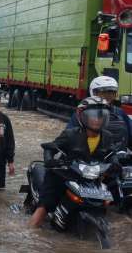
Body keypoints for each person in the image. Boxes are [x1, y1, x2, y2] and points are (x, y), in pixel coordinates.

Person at [30, 97, 119, 227]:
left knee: (113, 197)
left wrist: (115, 163)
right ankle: (30, 231)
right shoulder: (70, 134)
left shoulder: (107, 137)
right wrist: (50, 161)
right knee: (46, 204)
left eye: (101, 116)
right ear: (82, 116)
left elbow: (112, 154)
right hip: (65, 176)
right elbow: (50, 148)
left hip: (91, 179)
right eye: (93, 116)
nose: (97, 120)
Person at [66, 76, 132, 148]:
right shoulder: (81, 112)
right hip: (88, 154)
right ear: (94, 93)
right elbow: (68, 137)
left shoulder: (119, 112)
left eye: (112, 93)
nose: (108, 97)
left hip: (117, 155)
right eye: (104, 93)